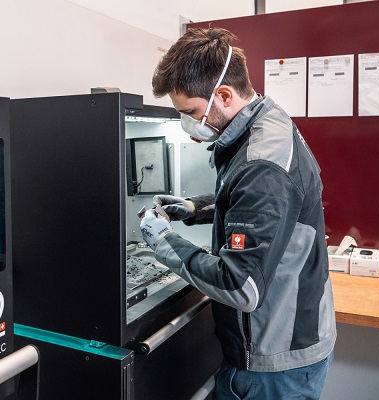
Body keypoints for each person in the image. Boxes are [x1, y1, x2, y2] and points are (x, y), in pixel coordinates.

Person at [140, 27, 336, 399]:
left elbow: (240, 286)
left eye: (191, 113)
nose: (190, 127)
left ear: (225, 95)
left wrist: (163, 241)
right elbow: (253, 203)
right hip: (287, 338)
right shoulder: (265, 118)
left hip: (276, 361)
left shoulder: (263, 161)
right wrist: (194, 208)